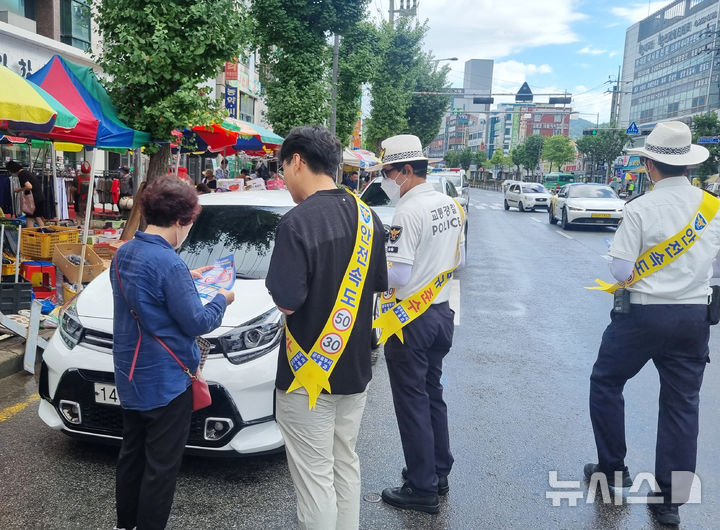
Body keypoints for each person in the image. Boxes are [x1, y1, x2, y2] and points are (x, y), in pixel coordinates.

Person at [586, 121, 720, 527]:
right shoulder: (712, 208)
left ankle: (613, 469)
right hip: (693, 315)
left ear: (649, 165)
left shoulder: (640, 208)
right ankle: (669, 504)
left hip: (642, 315)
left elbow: (624, 271)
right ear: (689, 166)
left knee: (607, 382)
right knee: (683, 404)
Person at [265, 125, 387, 529]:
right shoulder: (369, 218)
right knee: (344, 465)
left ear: (297, 161)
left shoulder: (297, 223)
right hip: (354, 370)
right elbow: (376, 288)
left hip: (307, 378)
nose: (283, 179)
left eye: (283, 168)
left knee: (315, 479)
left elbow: (286, 301)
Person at [110, 176, 235, 530]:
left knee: (132, 455)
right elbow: (198, 322)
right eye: (190, 223)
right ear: (181, 221)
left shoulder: (126, 253)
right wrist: (221, 298)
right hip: (167, 378)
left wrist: (186, 277)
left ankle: (124, 525)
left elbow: (144, 294)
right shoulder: (169, 264)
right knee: (161, 467)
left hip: (131, 374)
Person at [374, 134, 465, 515]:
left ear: (407, 171)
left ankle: (421, 486)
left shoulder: (408, 212)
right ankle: (438, 471)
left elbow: (397, 274)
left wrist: (371, 265)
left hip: (410, 320)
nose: (385, 181)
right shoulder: (450, 204)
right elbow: (457, 259)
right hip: (441, 313)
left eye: (388, 172)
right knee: (431, 394)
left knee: (411, 401)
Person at [6, 160, 46, 226]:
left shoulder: (21, 175)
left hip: (34, 200)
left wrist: (19, 189)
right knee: (37, 217)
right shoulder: (27, 172)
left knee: (29, 217)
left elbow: (29, 186)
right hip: (39, 197)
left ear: (12, 170)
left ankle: (30, 235)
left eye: (10, 171)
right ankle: (43, 233)